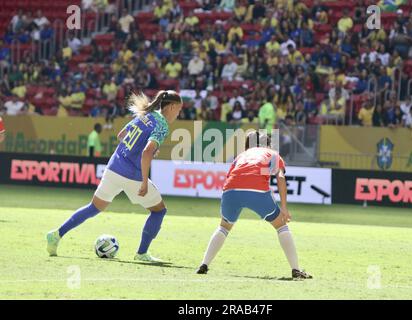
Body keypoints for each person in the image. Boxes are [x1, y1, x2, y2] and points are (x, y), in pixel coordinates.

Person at [46, 91, 183, 262]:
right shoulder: (162, 125)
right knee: (159, 211)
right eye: (179, 110)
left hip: (113, 167)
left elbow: (121, 135)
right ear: (171, 107)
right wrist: (144, 181)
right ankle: (141, 253)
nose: (179, 114)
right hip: (132, 174)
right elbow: (147, 151)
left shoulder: (146, 115)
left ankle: (56, 234)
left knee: (93, 207)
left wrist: (140, 148)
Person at [196, 131, 313, 280]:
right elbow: (281, 177)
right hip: (256, 190)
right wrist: (284, 207)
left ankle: (204, 264)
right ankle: (296, 270)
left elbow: (232, 175)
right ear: (268, 144)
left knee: (223, 227)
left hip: (230, 190)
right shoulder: (273, 154)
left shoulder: (241, 156)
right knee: (281, 226)